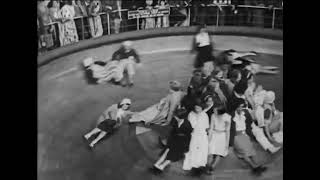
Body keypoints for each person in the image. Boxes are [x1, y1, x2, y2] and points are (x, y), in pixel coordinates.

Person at [230, 98, 267, 176]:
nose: (241, 108)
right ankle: (254, 167)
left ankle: (257, 166)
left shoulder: (246, 112)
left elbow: (249, 124)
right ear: (235, 107)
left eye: (242, 106)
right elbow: (230, 129)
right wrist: (231, 142)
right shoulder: (231, 115)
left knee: (251, 152)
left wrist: (250, 136)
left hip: (245, 135)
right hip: (236, 137)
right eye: (239, 107)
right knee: (244, 153)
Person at [151, 109, 192, 173]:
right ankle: (156, 165)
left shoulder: (187, 124)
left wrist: (186, 147)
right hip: (174, 139)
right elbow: (172, 131)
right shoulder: (175, 121)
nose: (174, 117)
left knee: (172, 156)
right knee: (166, 152)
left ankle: (161, 167)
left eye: (176, 116)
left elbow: (188, 136)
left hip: (181, 143)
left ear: (180, 117)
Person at [183, 102, 209, 176]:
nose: (196, 109)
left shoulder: (205, 115)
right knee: (193, 149)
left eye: (198, 107)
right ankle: (193, 166)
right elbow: (190, 125)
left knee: (202, 150)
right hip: (193, 134)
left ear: (202, 108)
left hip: (202, 135)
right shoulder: (191, 114)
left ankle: (200, 166)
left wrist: (207, 135)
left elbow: (206, 127)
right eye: (196, 107)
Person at [206, 106, 231, 174]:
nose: (213, 111)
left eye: (215, 110)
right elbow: (211, 127)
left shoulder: (227, 117)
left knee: (219, 153)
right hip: (214, 134)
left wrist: (227, 143)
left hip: (222, 135)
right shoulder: (213, 115)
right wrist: (209, 139)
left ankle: (212, 167)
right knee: (210, 152)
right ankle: (208, 166)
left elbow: (228, 130)